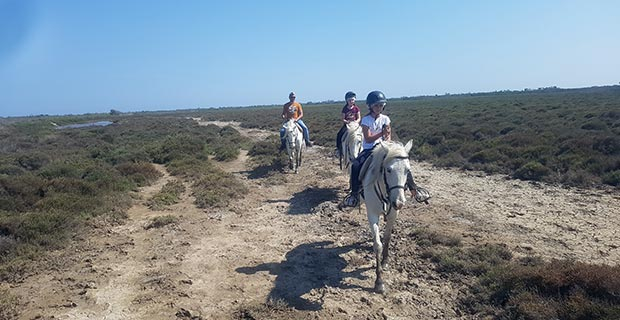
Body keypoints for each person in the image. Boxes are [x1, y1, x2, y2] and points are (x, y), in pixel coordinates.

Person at [344, 90, 417, 207]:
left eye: (381, 105)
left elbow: (388, 135)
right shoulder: (366, 120)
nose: (378, 107)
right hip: (370, 149)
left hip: (385, 147)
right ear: (370, 106)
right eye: (376, 105)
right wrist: (381, 134)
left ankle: (414, 188)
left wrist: (387, 142)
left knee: (401, 163)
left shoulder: (386, 119)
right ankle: (354, 194)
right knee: (356, 166)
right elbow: (368, 139)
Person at [335, 91, 361, 156]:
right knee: (339, 134)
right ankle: (338, 149)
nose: (351, 101)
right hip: (347, 125)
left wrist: (356, 122)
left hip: (355, 125)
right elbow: (343, 118)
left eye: (352, 100)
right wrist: (347, 122)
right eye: (350, 100)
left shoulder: (356, 108)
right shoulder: (345, 109)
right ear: (347, 101)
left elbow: (359, 118)